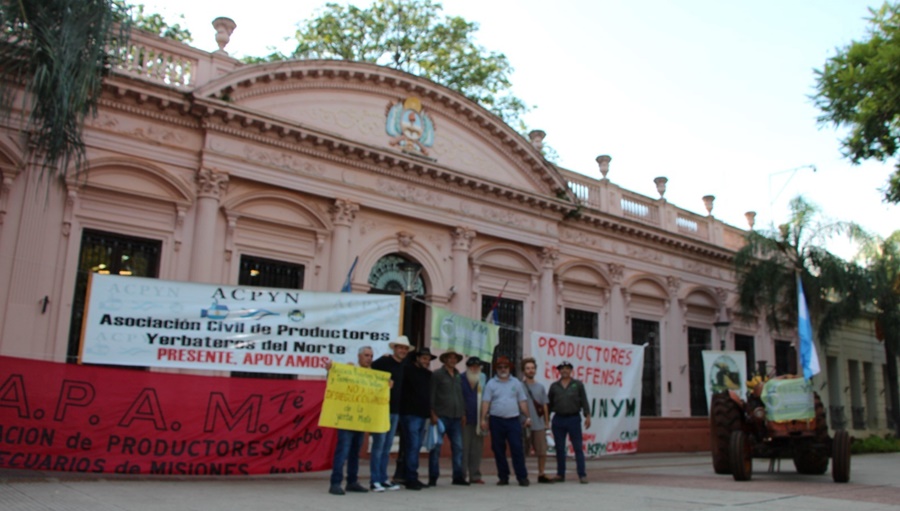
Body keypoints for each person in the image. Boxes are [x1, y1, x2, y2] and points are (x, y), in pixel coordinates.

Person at [326, 346, 376, 495]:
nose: (369, 358)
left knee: (355, 452)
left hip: (360, 419)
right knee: (343, 451)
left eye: (371, 356)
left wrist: (387, 385)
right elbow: (334, 381)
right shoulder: (349, 369)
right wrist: (330, 370)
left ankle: (352, 481)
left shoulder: (373, 375)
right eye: (366, 355)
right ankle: (335, 483)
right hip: (347, 419)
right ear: (359, 356)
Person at [480, 356, 531, 487]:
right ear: (496, 369)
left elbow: (522, 401)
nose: (503, 369)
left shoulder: (516, 383)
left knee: (517, 448)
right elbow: (486, 402)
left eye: (505, 367)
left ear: (510, 368)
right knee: (498, 449)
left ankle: (522, 477)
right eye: (500, 367)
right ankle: (503, 477)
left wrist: (527, 416)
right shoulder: (491, 383)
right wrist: (483, 419)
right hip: (496, 420)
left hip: (513, 420)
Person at [369, 336, 411, 492]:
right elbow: (367, 374)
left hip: (395, 411)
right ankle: (374, 480)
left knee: (386, 448)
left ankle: (383, 478)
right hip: (381, 409)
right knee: (378, 446)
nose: (403, 351)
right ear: (394, 348)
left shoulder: (404, 366)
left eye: (405, 349)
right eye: (400, 348)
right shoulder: (383, 362)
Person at [547, 360, 591, 484]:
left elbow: (584, 400)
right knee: (560, 448)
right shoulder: (554, 386)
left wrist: (587, 415)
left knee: (577, 448)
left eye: (567, 368)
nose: (564, 371)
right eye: (562, 369)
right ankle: (560, 474)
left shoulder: (577, 385)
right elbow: (549, 404)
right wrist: (546, 419)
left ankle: (582, 474)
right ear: (559, 371)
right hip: (559, 419)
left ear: (571, 370)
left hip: (574, 419)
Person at [428, 349, 467, 486]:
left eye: (454, 358)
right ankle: (433, 477)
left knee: (458, 447)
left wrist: (463, 413)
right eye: (450, 358)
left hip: (456, 417)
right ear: (444, 360)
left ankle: (457, 477)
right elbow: (432, 394)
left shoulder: (458, 375)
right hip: (441, 416)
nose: (452, 360)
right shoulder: (437, 374)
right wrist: (432, 413)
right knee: (436, 448)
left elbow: (460, 396)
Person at [399, 347, 435, 490]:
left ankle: (411, 475)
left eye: (428, 359)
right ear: (417, 358)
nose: (426, 361)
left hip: (423, 415)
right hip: (410, 414)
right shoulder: (407, 370)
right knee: (412, 446)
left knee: (416, 447)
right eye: (424, 358)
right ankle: (410, 478)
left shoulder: (428, 374)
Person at [521, 357, 552, 484]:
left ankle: (541, 473)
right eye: (528, 368)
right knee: (522, 451)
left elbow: (545, 405)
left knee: (542, 451)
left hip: (538, 424)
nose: (530, 370)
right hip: (524, 424)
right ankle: (522, 474)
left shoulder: (540, 387)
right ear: (523, 370)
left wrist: (546, 422)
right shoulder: (519, 386)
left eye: (532, 368)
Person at [460, 356, 486, 484]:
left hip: (479, 419)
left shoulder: (483, 379)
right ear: (468, 367)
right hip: (465, 418)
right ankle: (462, 474)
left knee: (477, 449)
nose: (475, 368)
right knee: (464, 448)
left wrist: (485, 418)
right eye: (472, 366)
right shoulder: (461, 378)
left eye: (477, 366)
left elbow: (487, 399)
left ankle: (475, 475)